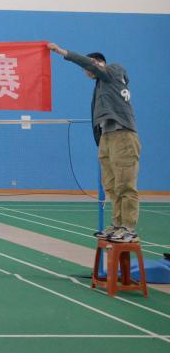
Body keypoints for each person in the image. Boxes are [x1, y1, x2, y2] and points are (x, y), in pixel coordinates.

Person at [47, 43, 140, 243]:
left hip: (123, 135)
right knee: (111, 185)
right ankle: (117, 225)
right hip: (106, 137)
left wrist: (62, 52)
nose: (86, 72)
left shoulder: (114, 70)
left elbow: (90, 64)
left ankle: (129, 228)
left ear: (97, 63)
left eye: (87, 68)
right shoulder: (101, 86)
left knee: (125, 184)